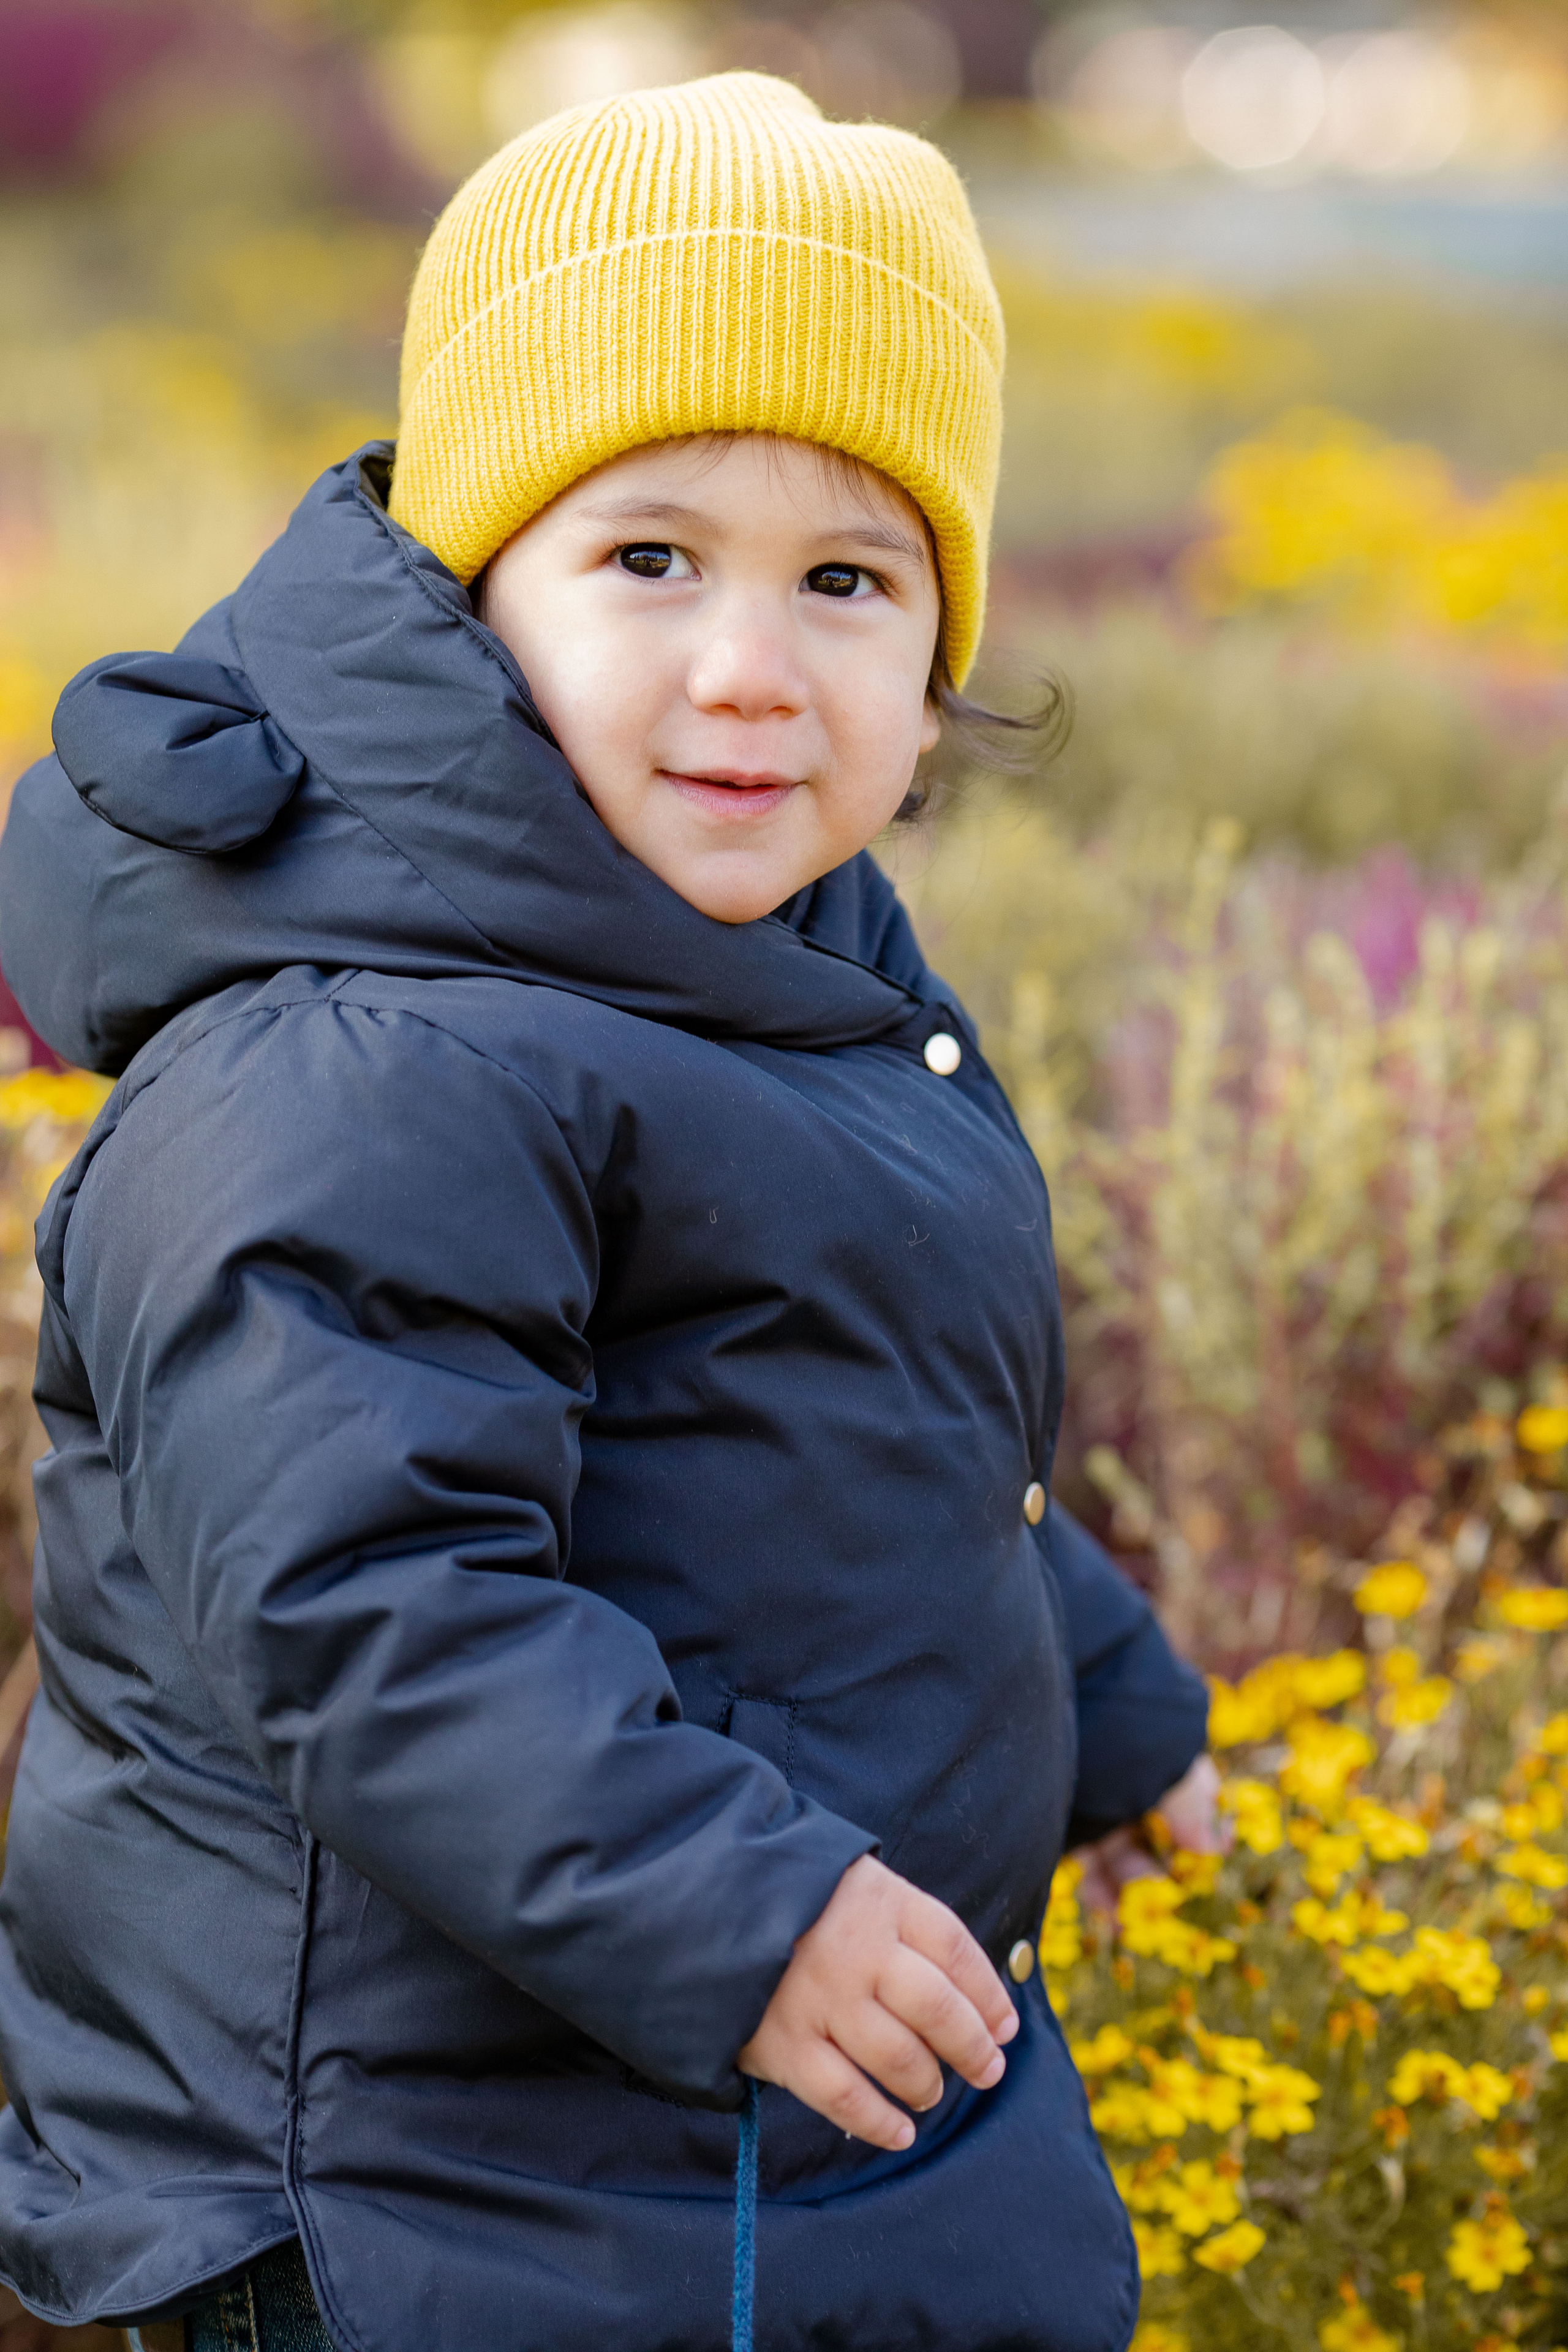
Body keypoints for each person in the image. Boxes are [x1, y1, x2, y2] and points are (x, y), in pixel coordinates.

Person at [0, 71, 1214, 2352]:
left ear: (937, 683)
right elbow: (362, 1597)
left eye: (848, 580)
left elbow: (845, 1432)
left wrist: (1102, 1697)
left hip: (679, 2142)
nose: (752, 665)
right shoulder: (373, 1057)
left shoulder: (769, 964)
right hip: (413, 2180)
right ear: (479, 588)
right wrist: (735, 1915)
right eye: (650, 556)